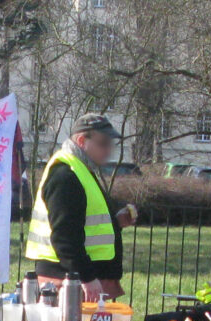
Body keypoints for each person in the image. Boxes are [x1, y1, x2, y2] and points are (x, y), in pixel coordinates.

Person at [24, 114, 136, 301]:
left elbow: (81, 225)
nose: (109, 150)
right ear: (82, 141)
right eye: (103, 143)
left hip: (78, 280)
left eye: (111, 144)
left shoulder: (80, 170)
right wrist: (86, 277)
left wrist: (115, 223)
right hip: (67, 282)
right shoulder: (66, 175)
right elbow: (64, 235)